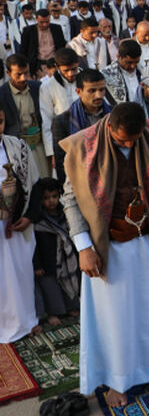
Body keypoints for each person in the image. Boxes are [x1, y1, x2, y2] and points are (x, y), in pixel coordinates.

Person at [60, 102, 149, 406]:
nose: (129, 145)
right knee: (115, 318)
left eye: (133, 140)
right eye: (123, 140)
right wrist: (84, 247)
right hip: (106, 246)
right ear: (109, 126)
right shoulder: (82, 146)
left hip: (147, 239)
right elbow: (71, 200)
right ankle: (117, 380)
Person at [0, 108, 41, 343]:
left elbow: (33, 185)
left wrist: (29, 217)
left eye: (0, 122)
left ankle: (25, 321)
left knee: (20, 273)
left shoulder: (17, 146)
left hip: (16, 224)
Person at [31, 177, 80, 326]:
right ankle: (53, 313)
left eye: (54, 197)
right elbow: (34, 246)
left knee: (69, 281)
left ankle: (70, 307)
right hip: (47, 262)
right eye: (46, 198)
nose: (51, 201)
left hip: (65, 259)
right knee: (51, 289)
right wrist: (37, 265)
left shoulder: (64, 214)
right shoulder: (38, 220)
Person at [51, 69, 112, 182]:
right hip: (81, 180)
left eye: (101, 90)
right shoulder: (63, 121)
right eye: (92, 91)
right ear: (79, 91)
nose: (98, 95)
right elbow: (61, 161)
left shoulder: (114, 115)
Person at [1, 54, 50, 177]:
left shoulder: (37, 87)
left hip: (40, 145)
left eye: (26, 73)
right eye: (18, 74)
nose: (23, 78)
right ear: (8, 72)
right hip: (17, 147)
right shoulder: (2, 94)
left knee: (45, 177)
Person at [101, 39, 142, 104]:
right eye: (129, 62)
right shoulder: (105, 74)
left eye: (136, 62)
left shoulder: (143, 72)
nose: (133, 66)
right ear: (119, 56)